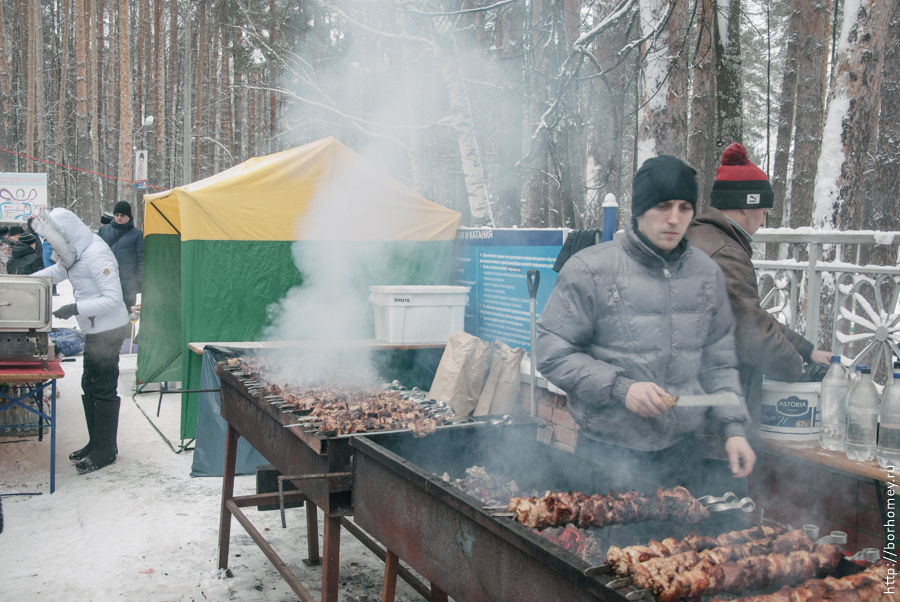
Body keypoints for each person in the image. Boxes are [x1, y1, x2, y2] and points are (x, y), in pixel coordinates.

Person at [536, 155, 755, 493]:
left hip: (683, 455)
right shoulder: (590, 270)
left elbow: (720, 361)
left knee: (679, 547)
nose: (674, 219)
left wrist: (734, 429)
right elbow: (551, 352)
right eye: (662, 206)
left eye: (684, 207)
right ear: (638, 211)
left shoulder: (706, 273)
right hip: (607, 455)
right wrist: (623, 388)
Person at [687, 143, 832, 437]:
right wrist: (797, 369)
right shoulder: (725, 252)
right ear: (746, 205)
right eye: (763, 211)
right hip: (712, 414)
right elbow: (751, 332)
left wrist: (807, 350)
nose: (764, 221)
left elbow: (749, 312)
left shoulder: (701, 237)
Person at [32, 208, 130, 474]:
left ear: (66, 236)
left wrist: (75, 308)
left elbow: (113, 300)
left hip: (109, 330)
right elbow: (58, 271)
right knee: (89, 383)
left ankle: (106, 450)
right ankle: (95, 443)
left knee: (103, 387)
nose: (53, 247)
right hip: (93, 328)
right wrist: (23, 283)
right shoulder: (76, 253)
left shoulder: (97, 255)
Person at [98, 201, 143, 311]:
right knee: (106, 315)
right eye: (117, 215)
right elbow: (95, 254)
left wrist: (140, 281)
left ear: (128, 216)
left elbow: (141, 259)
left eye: (122, 215)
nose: (119, 217)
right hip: (106, 281)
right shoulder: (104, 231)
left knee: (125, 315)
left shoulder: (137, 234)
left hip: (128, 285)